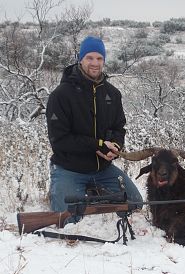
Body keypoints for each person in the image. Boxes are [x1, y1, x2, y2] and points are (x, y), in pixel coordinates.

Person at [46, 36, 142, 221]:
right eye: (89, 58)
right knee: (67, 220)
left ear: (104, 61)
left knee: (135, 203)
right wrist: (98, 144)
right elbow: (60, 140)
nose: (95, 63)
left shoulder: (113, 94)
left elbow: (118, 127)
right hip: (69, 168)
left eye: (99, 58)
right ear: (80, 59)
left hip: (103, 169)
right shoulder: (60, 95)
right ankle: (69, 192)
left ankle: (91, 194)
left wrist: (115, 146)